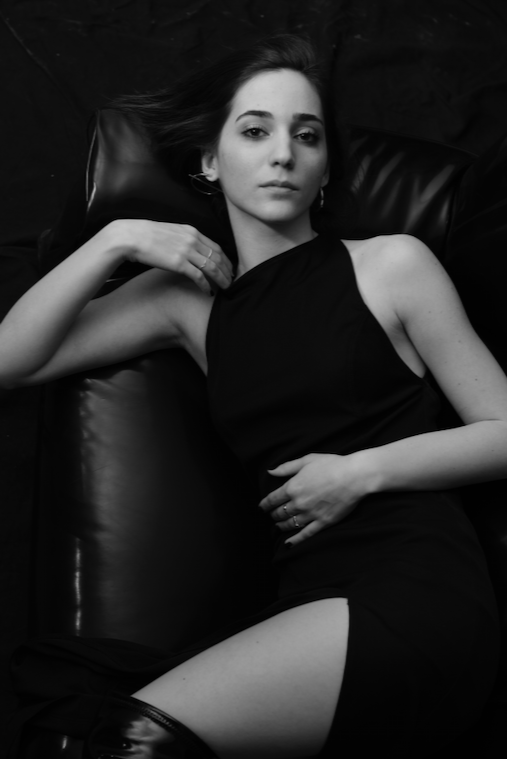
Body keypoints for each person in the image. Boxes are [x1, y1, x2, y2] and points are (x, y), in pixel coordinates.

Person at [1, 33, 506, 759]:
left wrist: (359, 471)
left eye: (307, 136)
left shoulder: (390, 264)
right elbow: (9, 361)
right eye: (255, 130)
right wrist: (114, 239)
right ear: (209, 159)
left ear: (324, 169)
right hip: (308, 598)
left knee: (135, 739)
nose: (283, 154)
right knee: (87, 723)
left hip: (416, 586)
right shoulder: (186, 302)